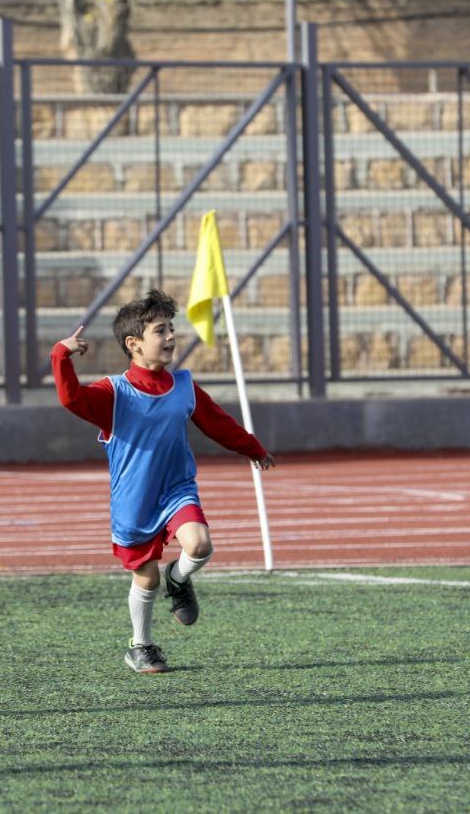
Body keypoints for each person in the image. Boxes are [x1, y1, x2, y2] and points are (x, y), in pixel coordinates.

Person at [52, 288, 275, 673]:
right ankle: (141, 646)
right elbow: (71, 399)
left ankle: (179, 577)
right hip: (134, 501)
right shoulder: (113, 392)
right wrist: (61, 355)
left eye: (171, 328)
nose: (171, 336)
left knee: (200, 544)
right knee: (147, 577)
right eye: (161, 330)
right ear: (133, 344)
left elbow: (217, 422)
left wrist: (251, 447)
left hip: (177, 490)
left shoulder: (183, 385)